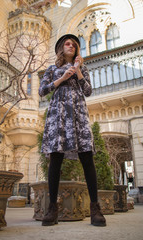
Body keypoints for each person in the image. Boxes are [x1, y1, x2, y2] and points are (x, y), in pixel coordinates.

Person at [39, 34, 106, 227]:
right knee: (56, 158)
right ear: (61, 48)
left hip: (78, 113)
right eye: (67, 44)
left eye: (74, 45)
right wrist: (62, 78)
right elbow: (42, 91)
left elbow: (88, 91)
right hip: (58, 114)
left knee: (87, 156)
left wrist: (77, 71)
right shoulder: (52, 69)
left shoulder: (82, 68)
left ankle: (95, 208)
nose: (71, 46)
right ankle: (52, 208)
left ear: (77, 50)